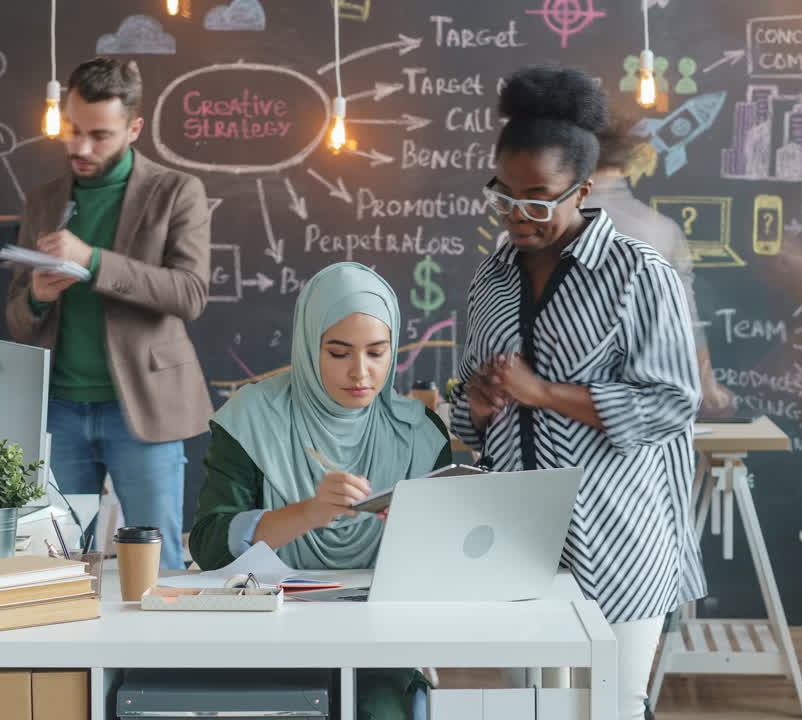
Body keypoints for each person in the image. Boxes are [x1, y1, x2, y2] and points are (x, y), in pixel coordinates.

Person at [450, 65, 706, 720]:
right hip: (517, 539)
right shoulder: (491, 278)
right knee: (537, 706)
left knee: (611, 705)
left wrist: (543, 392)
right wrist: (476, 404)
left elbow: (671, 401)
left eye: (538, 198)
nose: (518, 214)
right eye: (504, 195)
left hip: (619, 535)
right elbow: (470, 410)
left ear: (582, 191)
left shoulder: (638, 274)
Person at [190, 262, 451, 720]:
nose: (360, 372)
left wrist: (416, 534)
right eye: (338, 352)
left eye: (377, 352)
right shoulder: (252, 418)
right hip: (266, 633)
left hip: (380, 639)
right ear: (309, 346)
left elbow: (445, 562)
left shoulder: (419, 433)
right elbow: (210, 546)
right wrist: (308, 513)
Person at [6, 57, 212, 570]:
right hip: (58, 410)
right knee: (58, 567)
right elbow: (16, 317)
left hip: (142, 407)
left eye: (99, 135)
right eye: (73, 130)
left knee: (159, 565)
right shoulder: (43, 200)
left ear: (134, 128)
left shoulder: (176, 191)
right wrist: (37, 296)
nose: (80, 147)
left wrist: (93, 261)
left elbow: (190, 294)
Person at [591, 114, 733, 411]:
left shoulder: (547, 224)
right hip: (646, 396)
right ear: (627, 166)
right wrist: (706, 384)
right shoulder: (662, 229)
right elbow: (686, 316)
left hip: (559, 396)